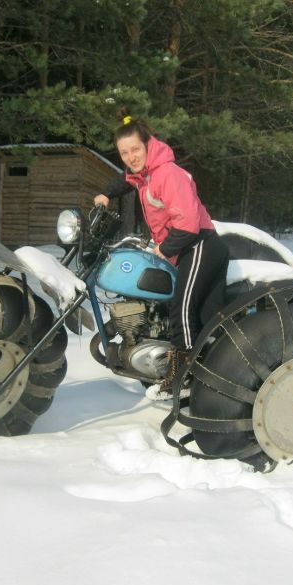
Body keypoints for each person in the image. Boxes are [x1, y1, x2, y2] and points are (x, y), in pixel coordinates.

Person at [95, 114, 229, 397]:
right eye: (124, 152)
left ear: (148, 145)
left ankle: (184, 376)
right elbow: (127, 181)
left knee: (180, 310)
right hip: (190, 248)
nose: (131, 156)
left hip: (200, 245)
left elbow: (189, 223)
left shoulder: (166, 173)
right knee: (206, 317)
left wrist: (164, 248)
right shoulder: (145, 175)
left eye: (135, 149)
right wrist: (106, 194)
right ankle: (212, 373)